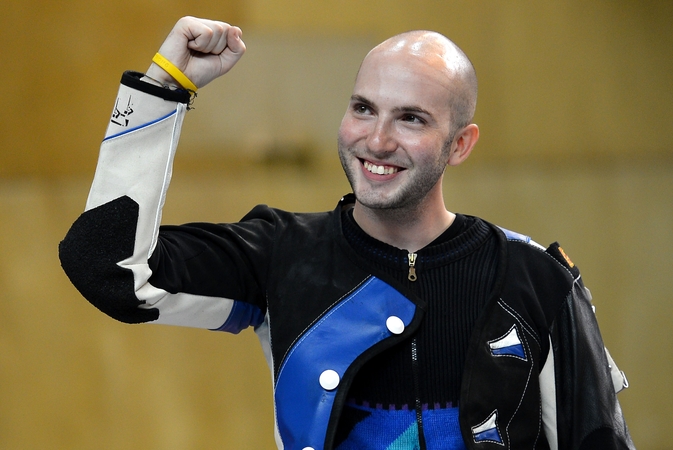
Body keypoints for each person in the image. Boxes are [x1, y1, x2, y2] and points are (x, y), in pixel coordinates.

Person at [59, 16, 635, 450]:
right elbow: (108, 268)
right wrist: (164, 87)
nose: (377, 140)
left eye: (411, 118)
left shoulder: (536, 277)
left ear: (460, 144)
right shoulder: (280, 256)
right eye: (363, 108)